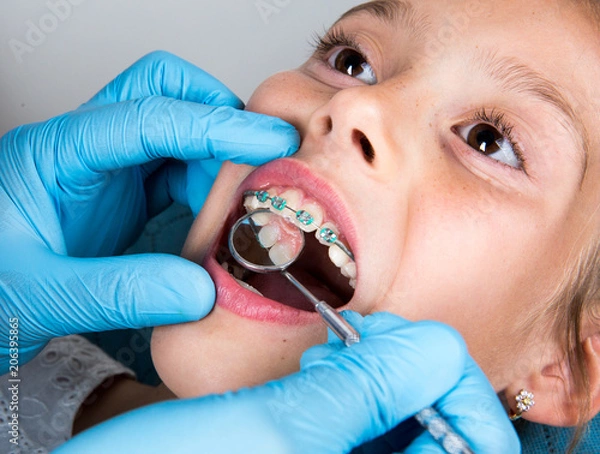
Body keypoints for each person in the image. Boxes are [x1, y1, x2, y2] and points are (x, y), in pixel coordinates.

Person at [0, 16, 516, 454]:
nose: (356, 106)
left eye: (488, 142)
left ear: (570, 373)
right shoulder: (22, 383)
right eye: (351, 61)